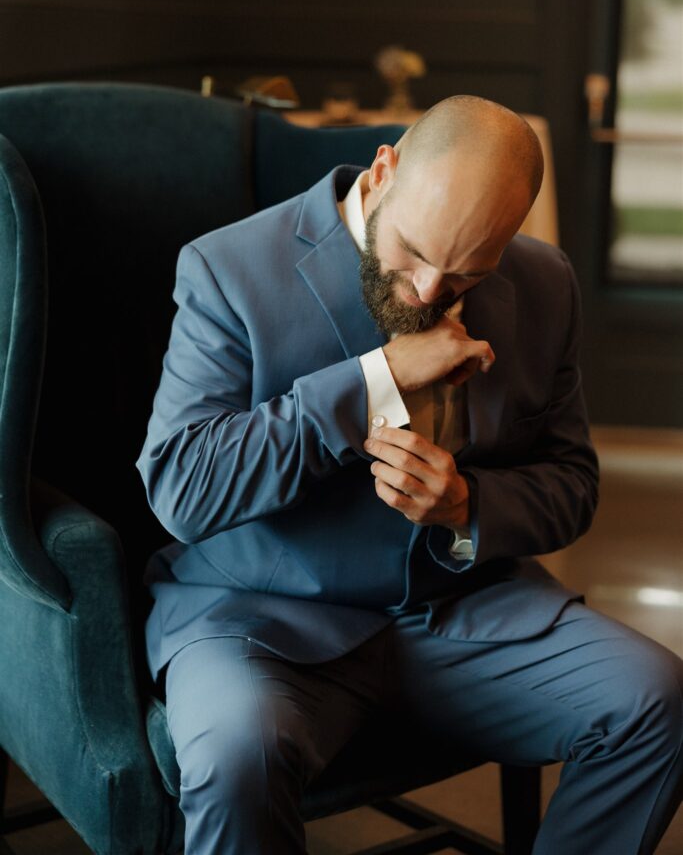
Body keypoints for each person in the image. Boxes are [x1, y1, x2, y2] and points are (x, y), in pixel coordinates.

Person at [137, 96, 683, 855]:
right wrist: (371, 380)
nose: (428, 293)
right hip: (263, 619)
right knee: (236, 751)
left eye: (464, 274)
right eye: (413, 255)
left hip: (466, 614)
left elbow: (570, 483)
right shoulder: (227, 268)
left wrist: (467, 505)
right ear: (384, 170)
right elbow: (182, 490)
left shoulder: (544, 282)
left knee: (656, 702)